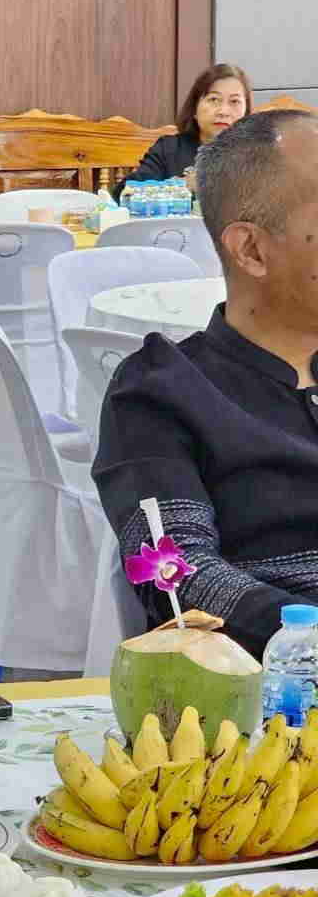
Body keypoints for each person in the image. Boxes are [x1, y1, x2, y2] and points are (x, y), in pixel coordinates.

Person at [94, 109, 318, 658]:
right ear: (251, 250)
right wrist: (304, 639)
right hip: (279, 689)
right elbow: (178, 574)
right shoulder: (161, 390)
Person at [115, 64, 252, 198]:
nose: (223, 111)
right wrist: (181, 186)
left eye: (234, 101)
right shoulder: (168, 149)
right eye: (214, 99)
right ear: (194, 108)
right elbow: (123, 194)